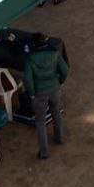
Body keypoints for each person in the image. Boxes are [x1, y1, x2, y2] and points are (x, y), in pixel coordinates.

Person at [23, 31, 69, 160]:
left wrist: (31, 93)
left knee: (40, 122)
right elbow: (65, 70)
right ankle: (60, 138)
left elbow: (27, 78)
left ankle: (44, 152)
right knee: (56, 113)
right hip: (54, 89)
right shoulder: (55, 54)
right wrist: (59, 81)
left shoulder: (30, 59)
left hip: (39, 93)